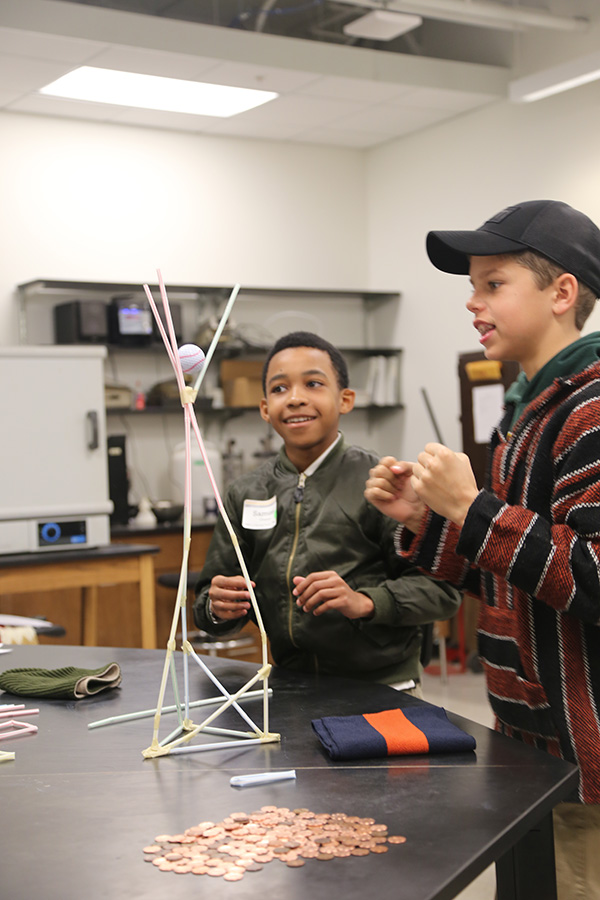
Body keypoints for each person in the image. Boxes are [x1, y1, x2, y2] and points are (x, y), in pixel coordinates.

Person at [364, 200, 600, 899]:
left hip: (582, 769)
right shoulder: (527, 414)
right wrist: (429, 521)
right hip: (526, 749)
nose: (472, 303)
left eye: (492, 283)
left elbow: (590, 575)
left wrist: (473, 509)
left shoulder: (591, 407)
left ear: (561, 292)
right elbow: (508, 582)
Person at [193, 331, 461, 691]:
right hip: (291, 687)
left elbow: (441, 593)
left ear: (345, 399)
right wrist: (216, 607)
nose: (296, 399)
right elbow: (208, 606)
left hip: (383, 688)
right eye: (279, 389)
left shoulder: (384, 486)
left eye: (313, 383)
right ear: (264, 409)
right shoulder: (245, 493)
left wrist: (364, 602)